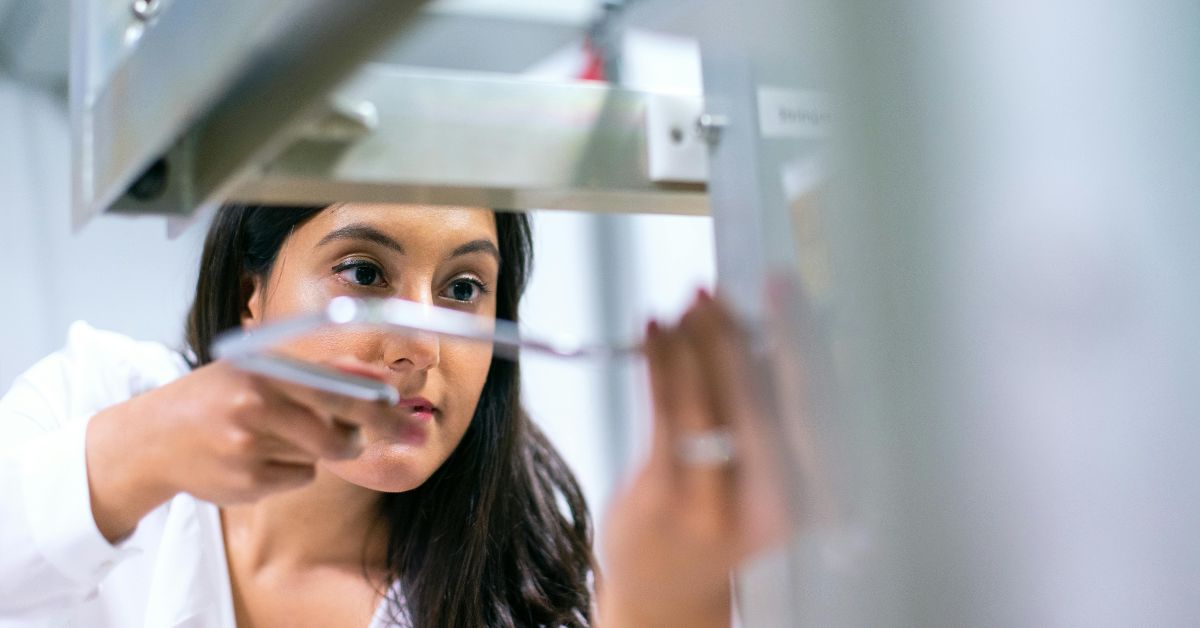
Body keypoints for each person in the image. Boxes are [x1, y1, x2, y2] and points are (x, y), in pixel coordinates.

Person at [0, 203, 790, 627]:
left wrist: (668, 604)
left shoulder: (529, 594)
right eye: (365, 271)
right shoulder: (99, 398)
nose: (420, 344)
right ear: (253, 294)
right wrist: (139, 453)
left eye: (462, 289)